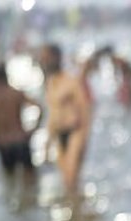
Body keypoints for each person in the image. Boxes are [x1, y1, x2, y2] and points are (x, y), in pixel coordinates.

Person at [40, 44, 92, 195]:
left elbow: (85, 110)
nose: (44, 61)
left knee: (70, 178)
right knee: (67, 181)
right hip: (59, 135)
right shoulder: (50, 83)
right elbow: (52, 115)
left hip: (75, 132)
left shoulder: (71, 81)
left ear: (56, 58)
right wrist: (47, 144)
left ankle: (77, 213)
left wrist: (83, 138)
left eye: (46, 58)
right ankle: (76, 209)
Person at [0, 64, 42, 181]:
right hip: (20, 139)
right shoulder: (16, 93)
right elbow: (39, 107)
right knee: (30, 180)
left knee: (10, 180)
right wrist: (34, 129)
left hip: (3, 142)